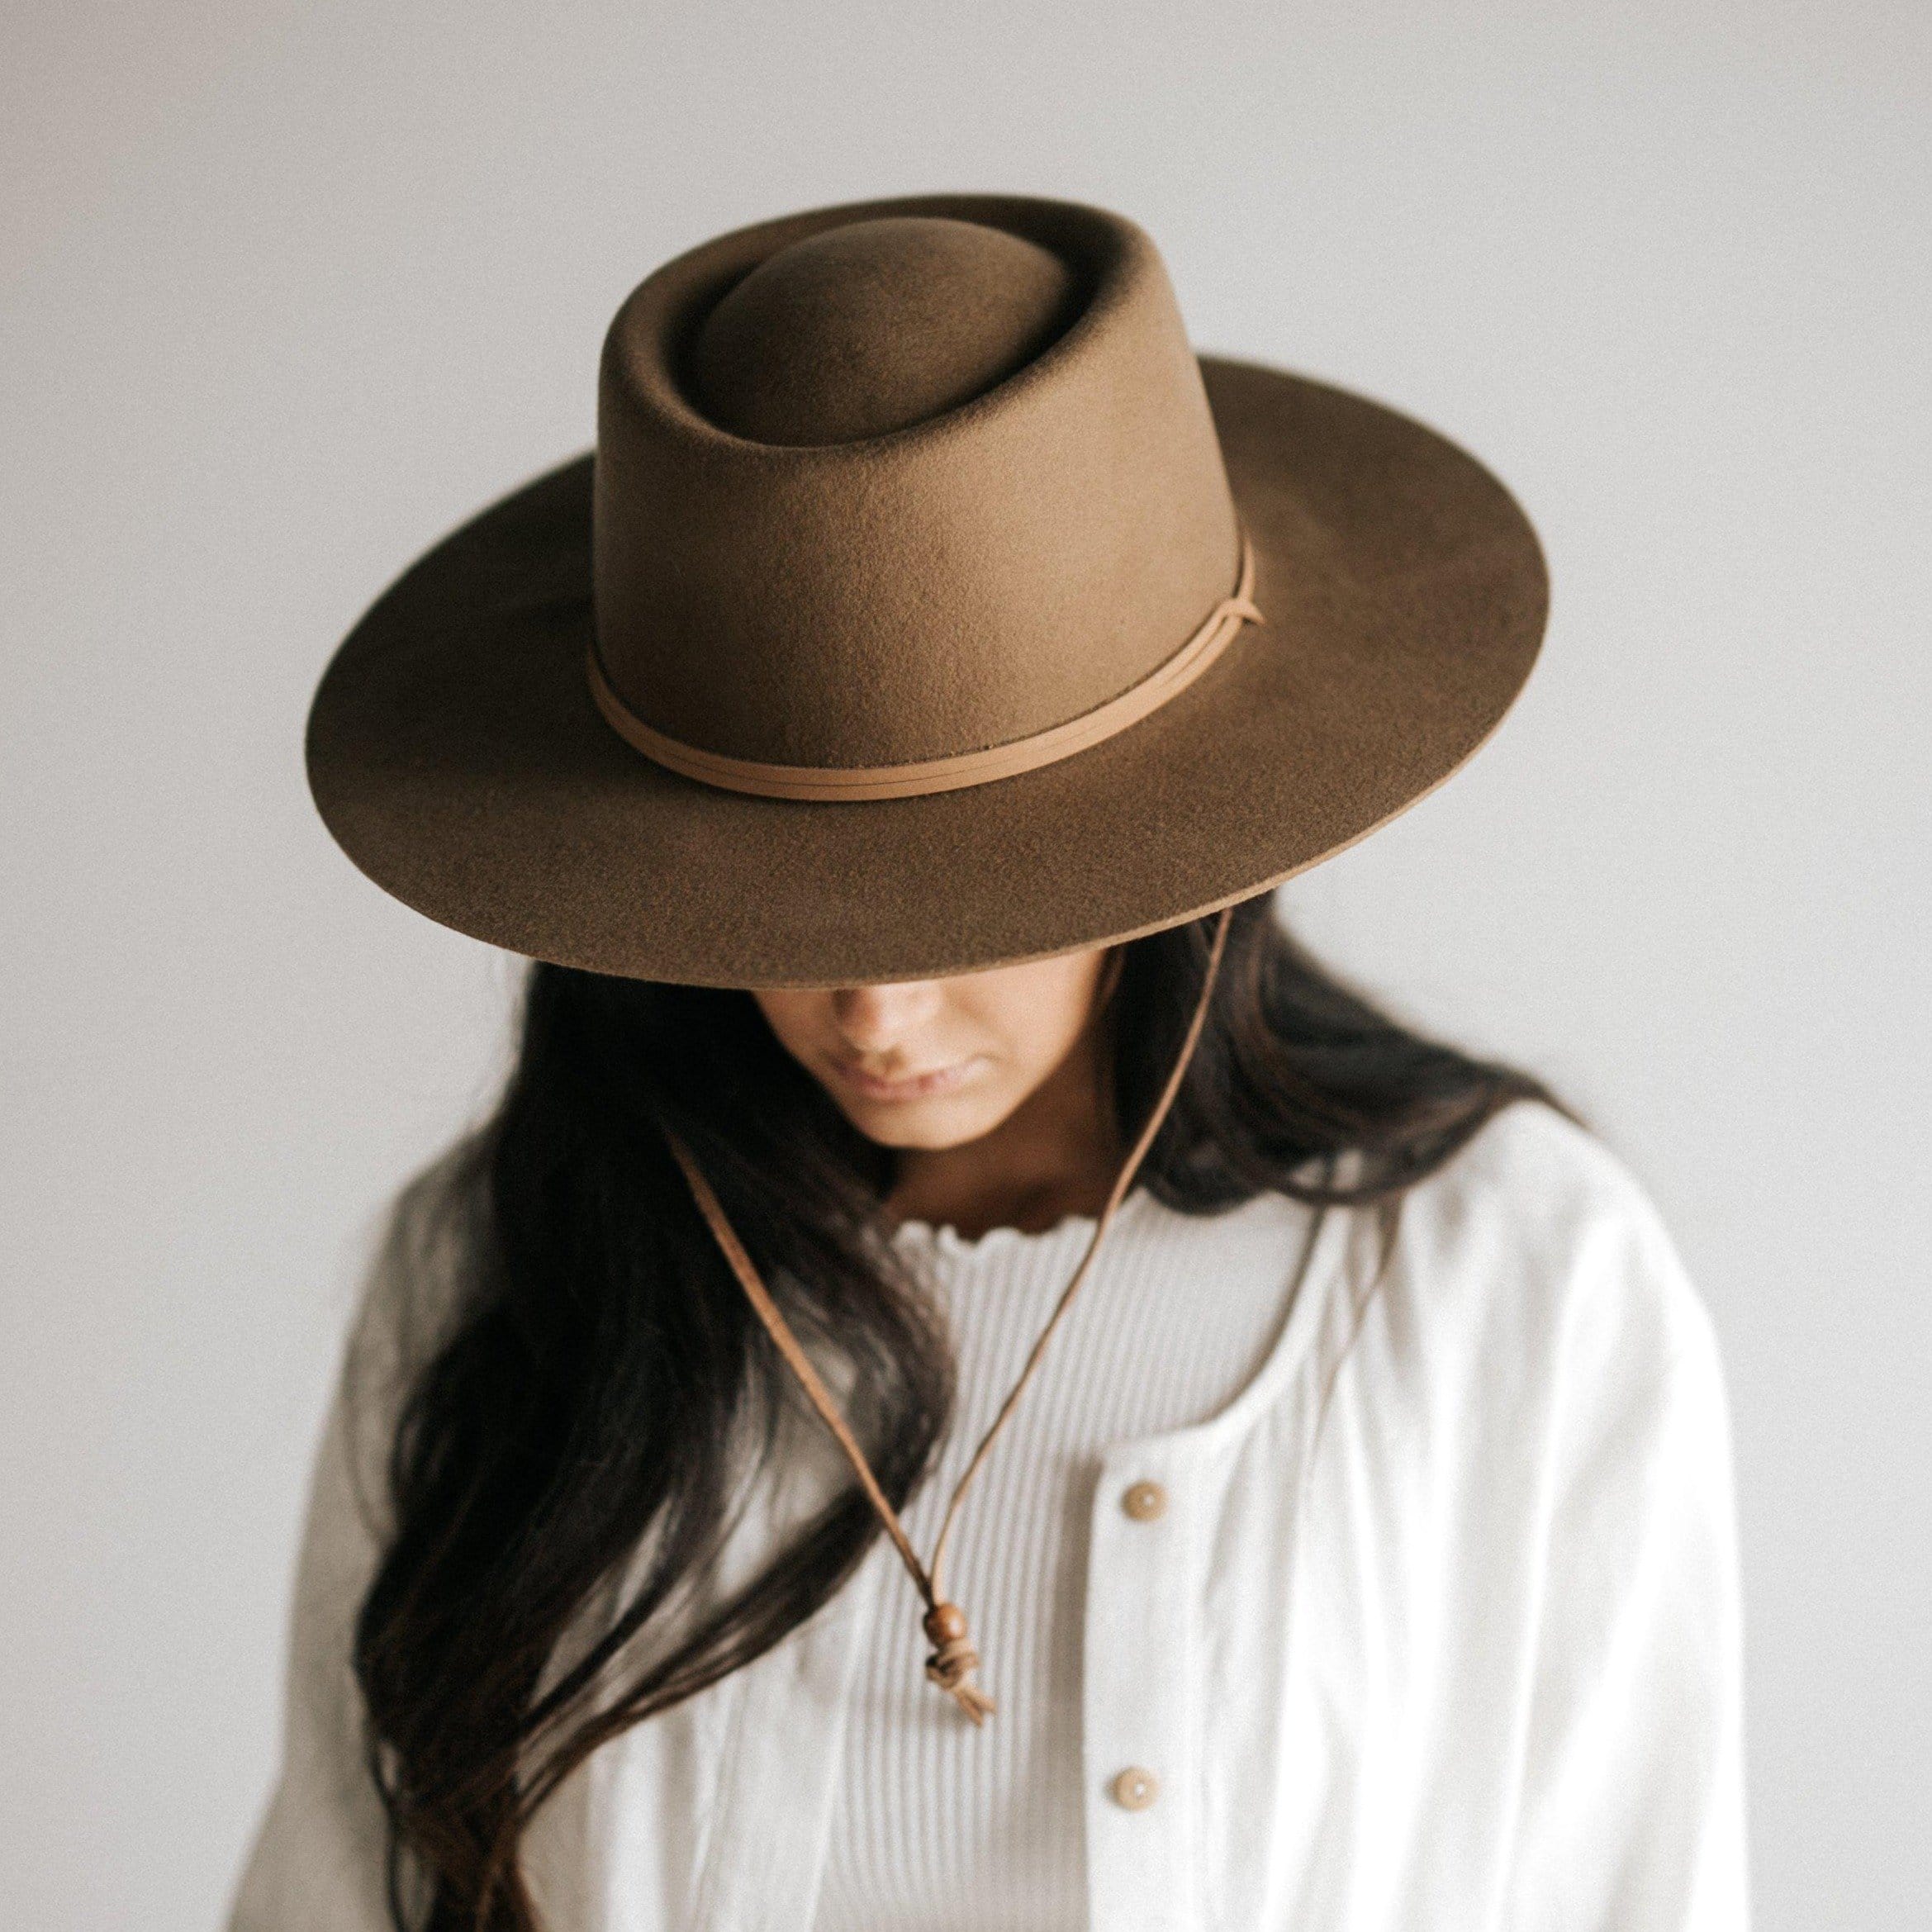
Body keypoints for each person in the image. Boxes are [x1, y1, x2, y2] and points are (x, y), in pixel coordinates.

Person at [231, 195, 1747, 1931]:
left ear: (1175, 842)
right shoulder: (514, 1260)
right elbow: (343, 1889)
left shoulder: (1507, 1281)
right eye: (777, 907)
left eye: (975, 898)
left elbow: (1643, 1879)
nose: (872, 1015)